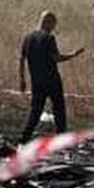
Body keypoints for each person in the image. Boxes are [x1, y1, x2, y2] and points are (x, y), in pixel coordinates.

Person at [19, 10, 84, 143]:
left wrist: (22, 79)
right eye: (53, 24)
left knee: (35, 111)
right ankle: (61, 139)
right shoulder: (48, 38)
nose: (54, 27)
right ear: (48, 22)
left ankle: (23, 139)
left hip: (36, 80)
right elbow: (56, 58)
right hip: (52, 80)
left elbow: (22, 59)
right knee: (59, 109)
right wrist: (73, 55)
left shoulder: (28, 37)